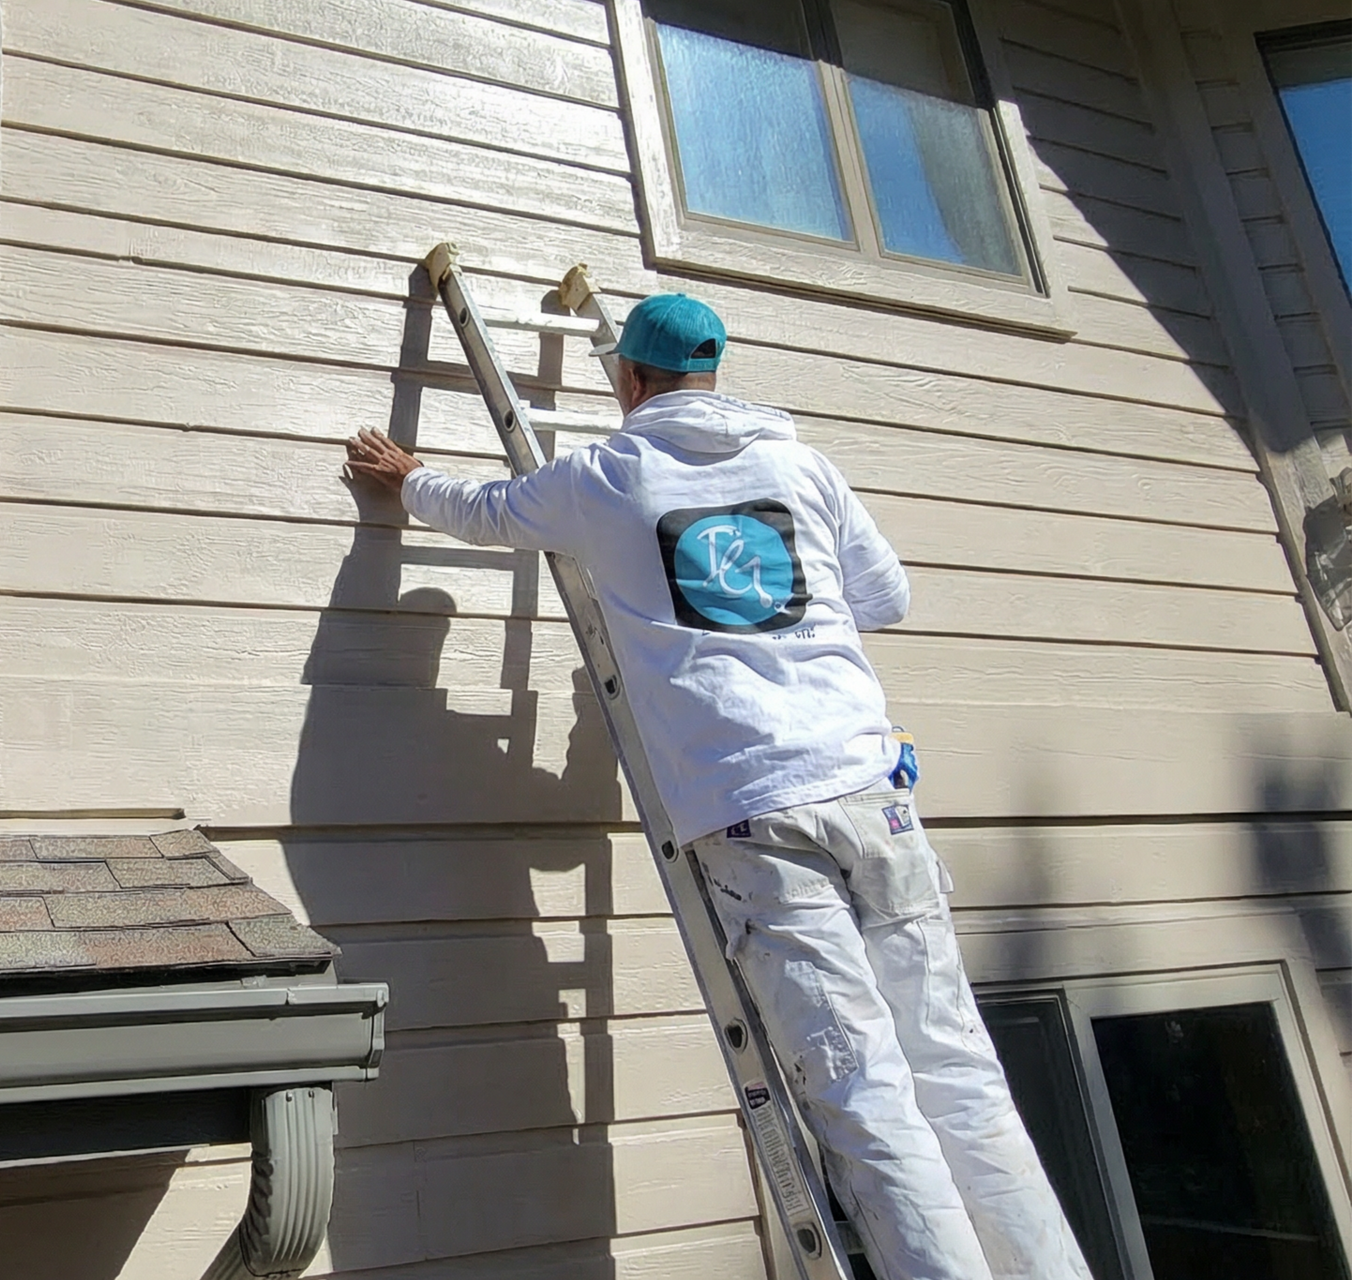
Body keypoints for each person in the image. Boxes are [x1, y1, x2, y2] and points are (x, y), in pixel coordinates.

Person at [343, 293, 1090, 1280]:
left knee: (863, 1090)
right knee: (959, 1068)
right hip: (874, 786)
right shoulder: (801, 465)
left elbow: (491, 511)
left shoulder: (608, 475)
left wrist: (410, 481)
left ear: (628, 378)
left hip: (755, 810)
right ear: (713, 370)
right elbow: (886, 596)